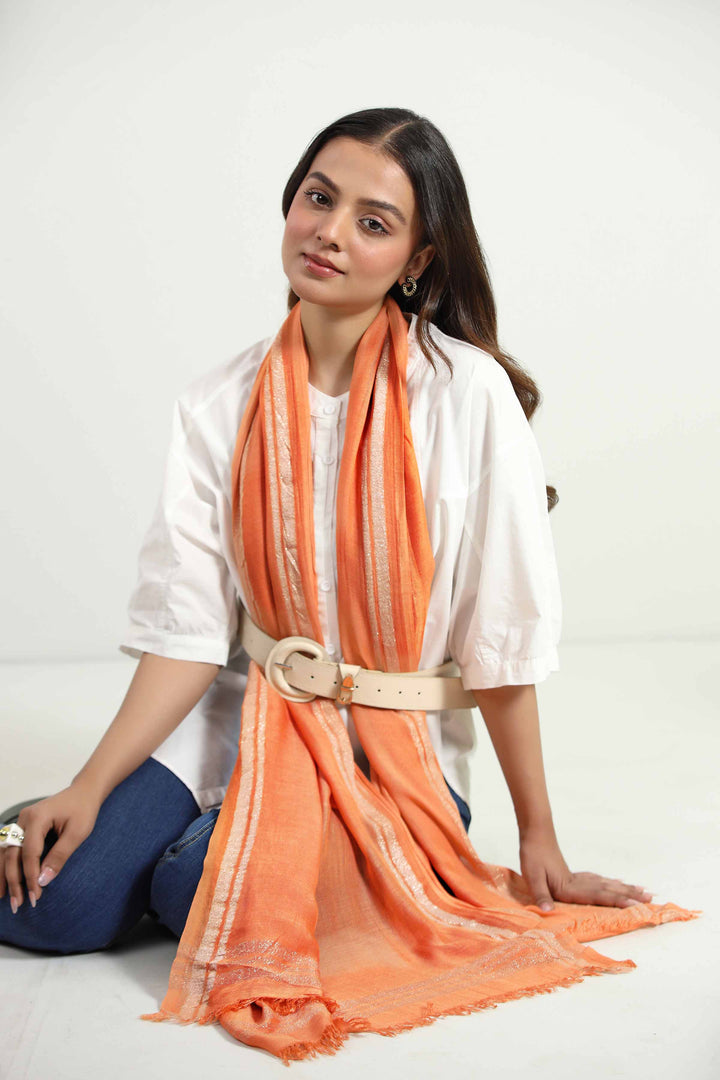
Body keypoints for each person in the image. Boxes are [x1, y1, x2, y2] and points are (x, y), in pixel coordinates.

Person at [0, 107, 655, 959]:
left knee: (196, 887)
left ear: (417, 260)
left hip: (395, 751)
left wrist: (540, 841)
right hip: (247, 712)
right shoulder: (218, 401)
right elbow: (189, 633)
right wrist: (89, 788)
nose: (331, 232)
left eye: (373, 223)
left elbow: (501, 647)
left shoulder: (467, 396)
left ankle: (200, 858)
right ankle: (143, 835)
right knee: (50, 906)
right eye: (319, 198)